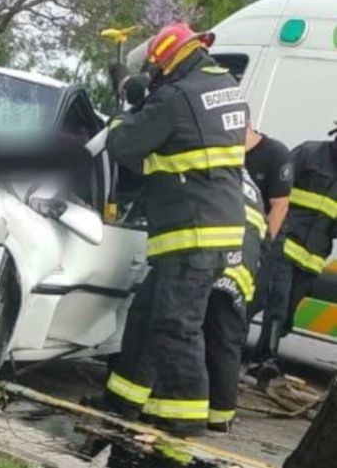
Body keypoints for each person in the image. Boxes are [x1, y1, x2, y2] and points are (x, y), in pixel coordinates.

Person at [101, 23, 248, 437]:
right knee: (148, 317)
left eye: (156, 70)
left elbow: (125, 145)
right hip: (211, 226)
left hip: (192, 232)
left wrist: (123, 110)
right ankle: (123, 401)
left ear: (166, 62)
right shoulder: (225, 88)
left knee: (175, 326)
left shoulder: (176, 97)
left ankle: (184, 417)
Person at [249, 127, 337, 384]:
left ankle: (262, 352)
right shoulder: (309, 153)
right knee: (275, 301)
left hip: (313, 257)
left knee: (286, 313)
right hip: (284, 244)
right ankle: (264, 360)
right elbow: (277, 191)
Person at [205, 169, 266, 432]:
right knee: (225, 341)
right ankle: (220, 415)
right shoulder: (247, 180)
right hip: (242, 266)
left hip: (218, 260)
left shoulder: (214, 162)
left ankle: (195, 408)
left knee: (193, 333)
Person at [242, 123, 294, 381]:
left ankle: (264, 357)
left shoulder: (274, 154)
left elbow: (280, 206)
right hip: (232, 238)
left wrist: (264, 245)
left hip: (264, 243)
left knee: (259, 299)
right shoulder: (227, 150)